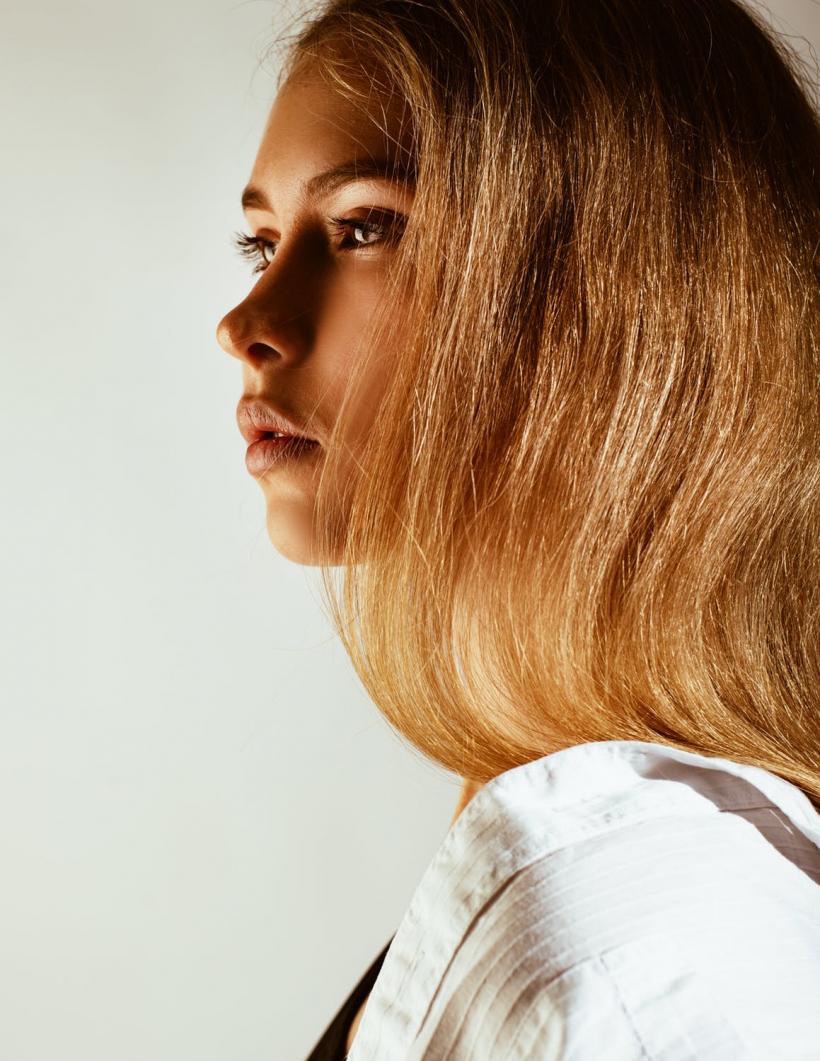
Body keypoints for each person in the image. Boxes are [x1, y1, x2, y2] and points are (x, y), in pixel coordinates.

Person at [215, 0, 820, 1056]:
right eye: (259, 243)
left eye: (366, 225)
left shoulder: (628, 965)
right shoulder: (591, 888)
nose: (247, 323)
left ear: (615, 292)